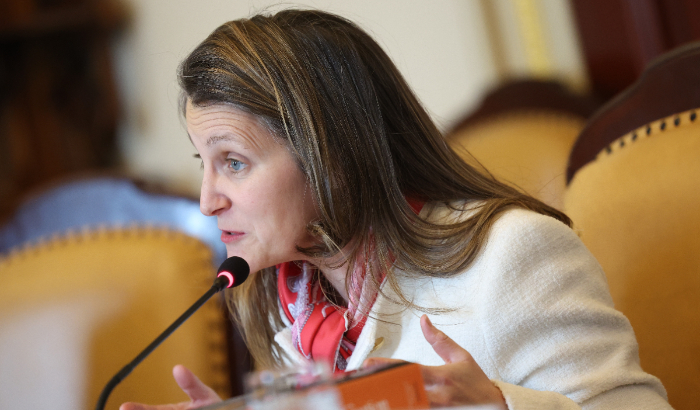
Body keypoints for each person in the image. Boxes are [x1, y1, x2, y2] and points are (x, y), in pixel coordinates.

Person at [121, 9, 672, 410]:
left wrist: (502, 407)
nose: (206, 199)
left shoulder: (514, 255)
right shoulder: (294, 309)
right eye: (204, 162)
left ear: (330, 157)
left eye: (234, 162)